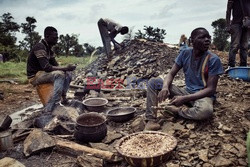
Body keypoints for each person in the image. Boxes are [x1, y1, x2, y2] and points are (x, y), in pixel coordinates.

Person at [144, 27, 224, 131]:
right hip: (186, 92)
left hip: (203, 96)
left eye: (208, 37)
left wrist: (184, 99)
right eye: (202, 37)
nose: (207, 40)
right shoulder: (185, 53)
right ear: (192, 41)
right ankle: (151, 120)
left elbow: (211, 89)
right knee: (154, 82)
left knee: (205, 111)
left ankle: (176, 111)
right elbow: (171, 73)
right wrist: (165, 87)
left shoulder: (213, 59)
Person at [27, 26, 76, 112]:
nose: (57, 39)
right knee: (59, 75)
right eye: (54, 37)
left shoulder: (49, 49)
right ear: (47, 36)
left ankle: (63, 98)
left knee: (68, 73)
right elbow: (47, 67)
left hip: (43, 73)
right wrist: (66, 67)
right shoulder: (40, 47)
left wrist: (67, 69)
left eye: (57, 37)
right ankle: (54, 104)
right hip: (35, 76)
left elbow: (55, 65)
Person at [226, 0, 250, 67]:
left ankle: (243, 65)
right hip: (236, 23)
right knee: (235, 46)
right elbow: (228, 10)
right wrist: (228, 25)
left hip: (247, 25)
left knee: (245, 46)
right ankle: (231, 65)